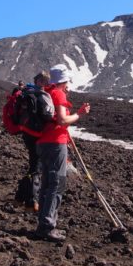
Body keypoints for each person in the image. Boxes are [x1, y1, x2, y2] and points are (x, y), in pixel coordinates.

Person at [35, 64, 90, 242]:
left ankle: (43, 223)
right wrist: (80, 114)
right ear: (63, 81)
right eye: (67, 82)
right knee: (56, 184)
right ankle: (47, 226)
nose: (68, 86)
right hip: (55, 143)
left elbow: (57, 121)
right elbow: (63, 119)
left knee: (47, 183)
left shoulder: (47, 93)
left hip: (43, 142)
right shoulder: (58, 93)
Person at [14, 71, 51, 212]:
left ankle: (19, 197)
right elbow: (47, 116)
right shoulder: (38, 96)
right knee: (37, 167)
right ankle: (31, 202)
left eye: (46, 81)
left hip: (27, 132)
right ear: (37, 81)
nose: (45, 84)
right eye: (43, 81)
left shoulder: (27, 93)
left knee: (33, 165)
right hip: (35, 134)